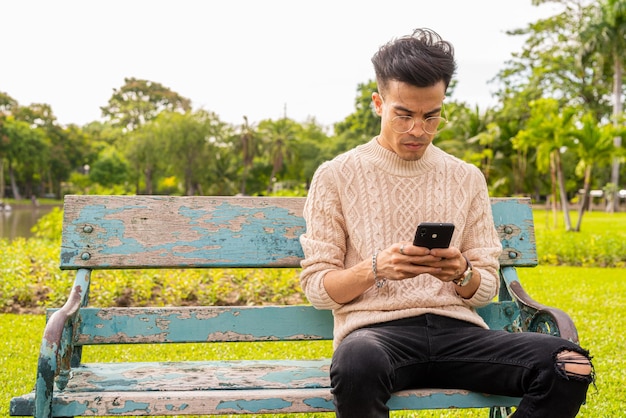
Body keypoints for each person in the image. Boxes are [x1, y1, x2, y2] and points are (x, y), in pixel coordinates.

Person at [299, 28, 594, 418]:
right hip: (375, 336)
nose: (417, 130)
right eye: (403, 114)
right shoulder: (336, 175)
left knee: (568, 364)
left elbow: (484, 287)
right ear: (377, 103)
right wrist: (376, 269)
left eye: (430, 116)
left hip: (459, 334)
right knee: (356, 366)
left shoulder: (466, 177)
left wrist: (462, 272)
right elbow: (319, 288)